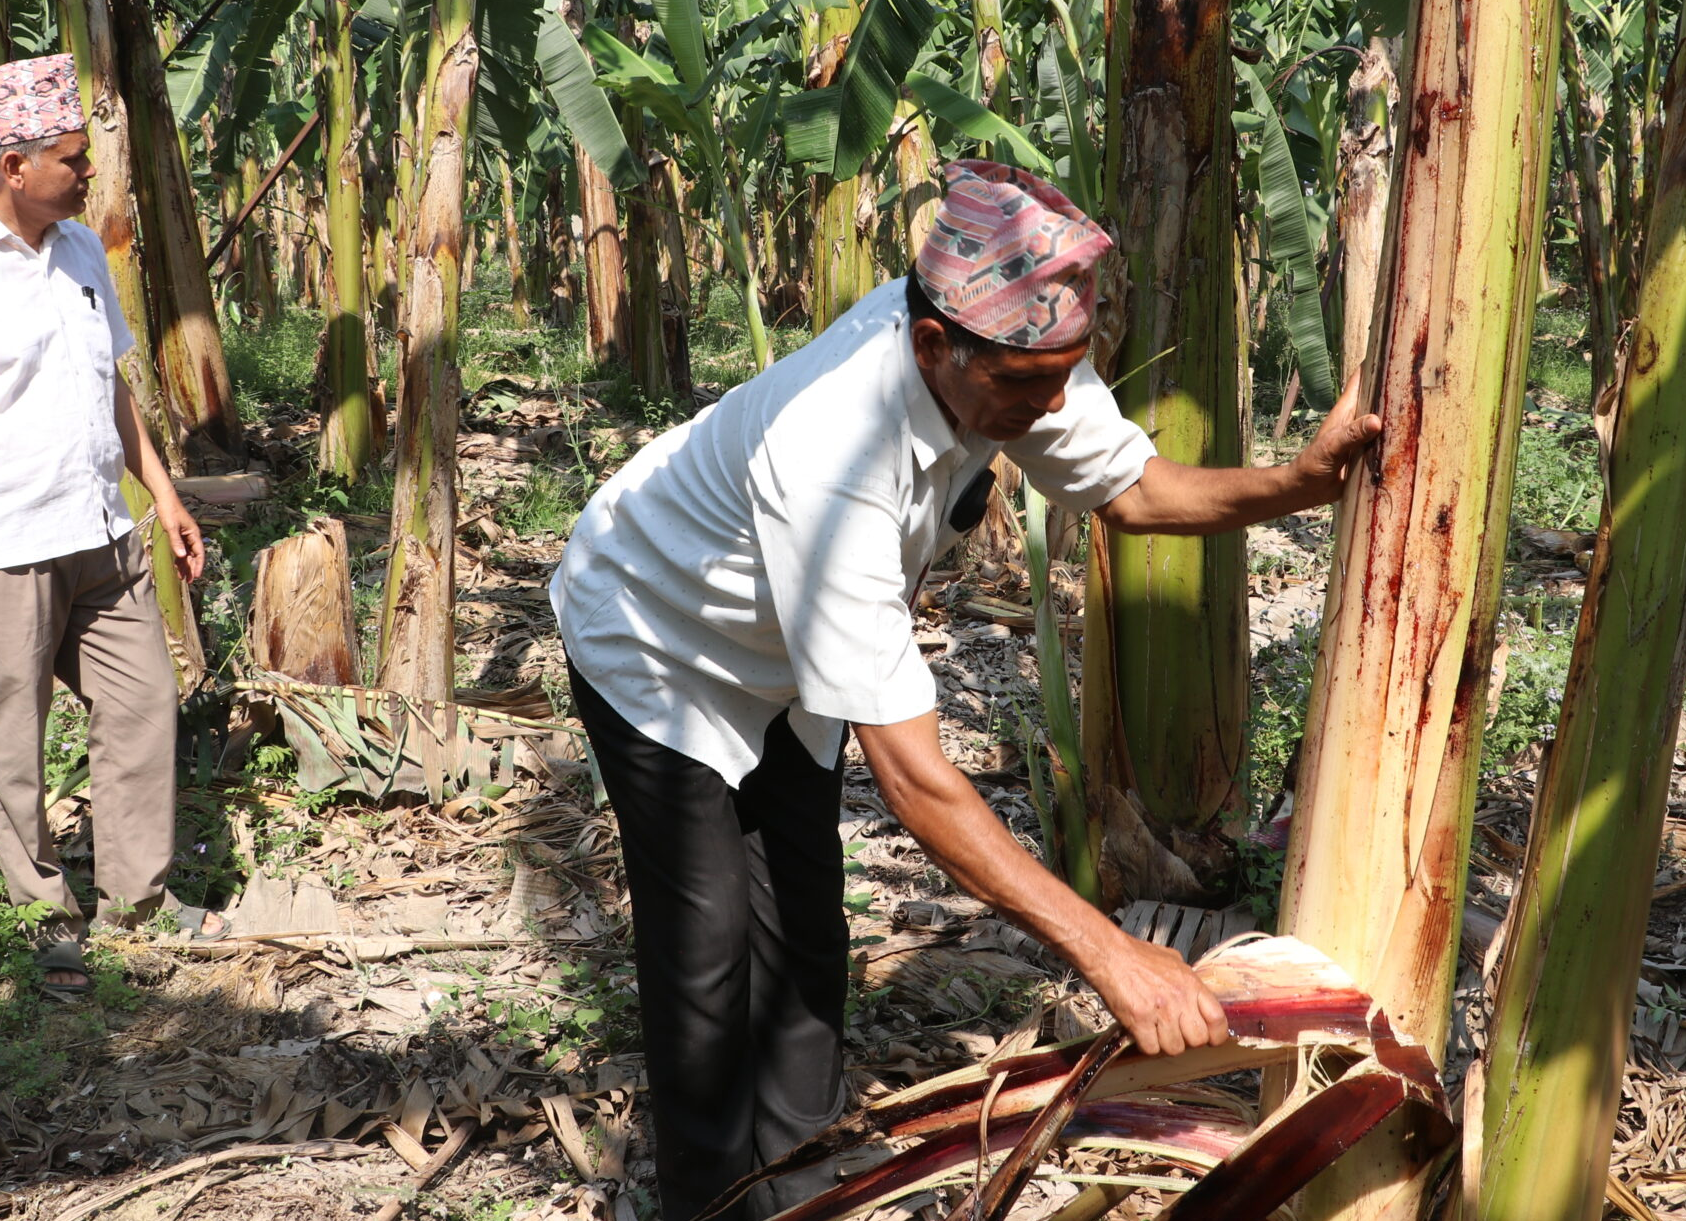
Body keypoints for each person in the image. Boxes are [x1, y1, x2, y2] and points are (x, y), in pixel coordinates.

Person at [550, 160, 1381, 1221]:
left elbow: (1134, 493)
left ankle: (804, 1184)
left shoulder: (1021, 349)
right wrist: (1110, 951)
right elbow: (917, 779)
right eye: (1027, 387)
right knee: (707, 950)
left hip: (780, 651)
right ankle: (710, 1202)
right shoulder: (833, 455)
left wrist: (1299, 483)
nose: (1047, 409)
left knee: (805, 929)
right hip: (654, 633)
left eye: (1063, 376)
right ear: (933, 342)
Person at [0, 54, 222, 1000]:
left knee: (146, 705)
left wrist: (164, 494)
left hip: (98, 532)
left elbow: (110, 387)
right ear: (13, 164)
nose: (88, 171)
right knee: (14, 745)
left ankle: (137, 900)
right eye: (72, 157)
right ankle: (42, 915)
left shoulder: (80, 254)